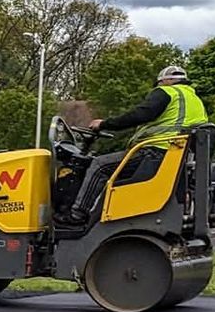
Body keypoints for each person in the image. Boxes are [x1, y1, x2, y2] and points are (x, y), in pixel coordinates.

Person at [79, 65, 208, 218]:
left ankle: (77, 215)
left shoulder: (167, 92)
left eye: (158, 84)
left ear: (165, 81)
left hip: (155, 152)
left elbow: (140, 115)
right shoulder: (196, 100)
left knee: (99, 166)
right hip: (174, 157)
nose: (157, 88)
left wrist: (104, 124)